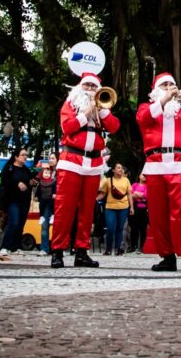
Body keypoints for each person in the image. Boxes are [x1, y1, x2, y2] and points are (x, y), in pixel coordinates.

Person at [137, 72, 181, 274]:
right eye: (164, 85)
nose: (168, 87)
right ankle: (167, 257)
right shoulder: (147, 108)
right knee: (158, 216)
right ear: (156, 89)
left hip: (180, 164)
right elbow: (143, 119)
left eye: (171, 85)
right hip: (155, 165)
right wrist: (165, 99)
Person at [50, 72, 119, 269]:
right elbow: (67, 127)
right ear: (80, 87)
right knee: (65, 208)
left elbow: (114, 127)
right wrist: (86, 113)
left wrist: (102, 110)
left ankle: (82, 251)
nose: (89, 89)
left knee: (88, 210)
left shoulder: (102, 107)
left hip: (93, 162)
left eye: (93, 86)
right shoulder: (70, 104)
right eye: (87, 85)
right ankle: (57, 251)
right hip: (71, 159)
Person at [0, 149, 33, 261]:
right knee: (13, 222)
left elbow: (30, 182)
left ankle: (15, 247)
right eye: (22, 155)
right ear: (16, 157)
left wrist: (32, 183)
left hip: (25, 200)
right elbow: (3, 181)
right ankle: (4, 247)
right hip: (12, 200)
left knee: (20, 224)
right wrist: (17, 183)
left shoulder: (27, 170)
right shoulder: (9, 168)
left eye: (26, 155)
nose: (25, 157)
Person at [100, 163, 132, 256]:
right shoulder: (108, 180)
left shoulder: (126, 180)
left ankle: (118, 249)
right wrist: (95, 199)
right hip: (110, 207)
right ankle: (108, 248)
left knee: (120, 228)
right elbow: (103, 193)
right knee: (110, 228)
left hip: (124, 207)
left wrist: (132, 207)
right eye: (118, 168)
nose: (120, 169)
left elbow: (129, 194)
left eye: (121, 168)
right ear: (113, 170)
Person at [33, 162, 54, 255]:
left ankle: (58, 249)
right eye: (50, 158)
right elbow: (36, 188)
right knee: (44, 226)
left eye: (53, 158)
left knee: (58, 228)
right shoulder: (43, 174)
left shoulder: (59, 173)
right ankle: (44, 248)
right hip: (45, 203)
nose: (50, 160)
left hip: (55, 203)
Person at [128, 173, 148, 253]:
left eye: (146, 176)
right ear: (139, 176)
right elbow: (130, 195)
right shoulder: (134, 185)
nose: (144, 177)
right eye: (142, 175)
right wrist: (140, 196)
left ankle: (142, 247)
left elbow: (147, 196)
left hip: (145, 209)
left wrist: (136, 194)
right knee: (134, 228)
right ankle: (133, 246)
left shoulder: (148, 186)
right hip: (135, 207)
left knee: (143, 229)